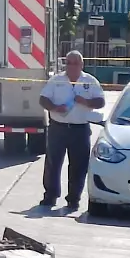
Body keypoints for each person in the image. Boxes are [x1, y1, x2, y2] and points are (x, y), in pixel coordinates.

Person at [39, 50, 106, 210]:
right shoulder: (56, 80)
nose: (71, 66)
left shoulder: (90, 81)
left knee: (78, 165)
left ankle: (73, 199)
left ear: (81, 65)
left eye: (75, 63)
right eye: (68, 63)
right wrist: (55, 107)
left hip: (80, 129)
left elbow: (101, 101)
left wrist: (86, 102)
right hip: (58, 128)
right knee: (53, 163)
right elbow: (43, 99)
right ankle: (50, 196)